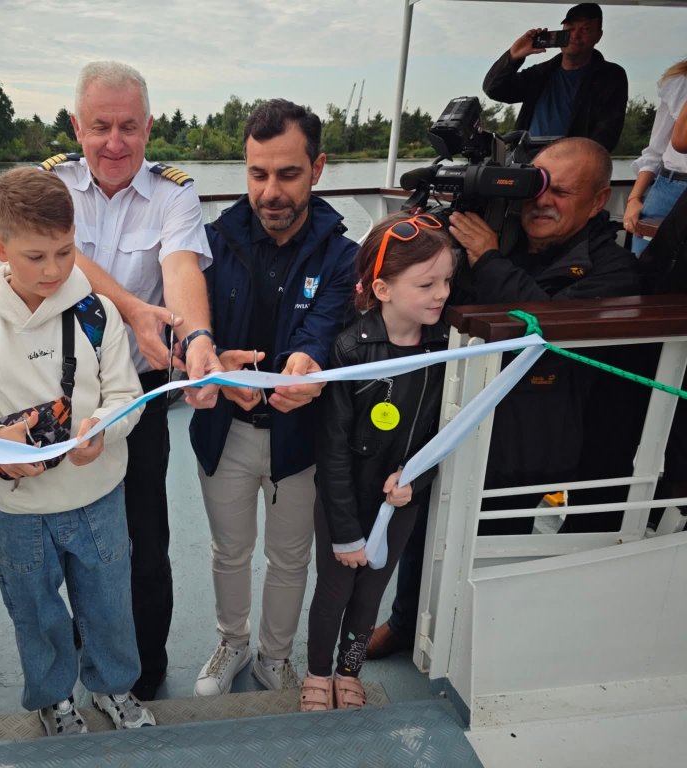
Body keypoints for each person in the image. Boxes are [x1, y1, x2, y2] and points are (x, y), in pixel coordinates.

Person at [367, 136, 641, 658]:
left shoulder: (612, 269)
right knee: (420, 506)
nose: (541, 200)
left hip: (544, 438)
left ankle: (490, 639)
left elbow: (554, 337)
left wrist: (488, 257)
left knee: (498, 536)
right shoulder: (504, 232)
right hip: (469, 410)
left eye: (560, 191)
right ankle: (407, 622)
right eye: (535, 184)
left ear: (599, 198)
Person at [0, 168, 152, 735]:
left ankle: (114, 688)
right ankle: (54, 699)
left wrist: (103, 426)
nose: (52, 270)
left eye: (64, 252)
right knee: (35, 613)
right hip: (18, 512)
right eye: (35, 257)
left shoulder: (99, 313)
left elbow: (129, 394)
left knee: (110, 606)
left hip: (97, 496)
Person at [46, 61, 221, 700]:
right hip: (63, 396)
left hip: (143, 392)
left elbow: (180, 269)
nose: (114, 143)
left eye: (128, 127)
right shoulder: (51, 187)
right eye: (99, 127)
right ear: (76, 126)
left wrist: (196, 337)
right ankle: (89, 661)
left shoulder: (174, 194)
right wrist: (132, 307)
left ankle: (145, 673)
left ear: (149, 128)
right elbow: (59, 258)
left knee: (146, 540)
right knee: (70, 538)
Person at [189, 99, 358, 696]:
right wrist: (211, 362)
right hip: (225, 434)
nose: (270, 191)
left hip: (300, 438)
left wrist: (307, 363)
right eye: (258, 173)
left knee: (291, 558)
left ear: (318, 168)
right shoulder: (209, 243)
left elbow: (327, 329)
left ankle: (275, 656)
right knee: (228, 549)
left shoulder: (344, 256)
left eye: (288, 173)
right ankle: (231, 643)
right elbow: (190, 325)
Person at [300, 214, 453, 711]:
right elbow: (333, 448)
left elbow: (442, 433)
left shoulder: (443, 346)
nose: (441, 293)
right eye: (427, 283)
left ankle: (350, 670)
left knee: (371, 596)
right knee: (336, 590)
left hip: (400, 501)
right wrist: (345, 531)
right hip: (347, 500)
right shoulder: (351, 350)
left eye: (447, 280)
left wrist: (417, 479)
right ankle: (318, 673)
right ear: (383, 288)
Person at [483, 3, 628, 152]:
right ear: (562, 31)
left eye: (585, 29)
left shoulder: (610, 77)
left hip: (572, 169)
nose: (575, 35)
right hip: (527, 164)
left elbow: (606, 135)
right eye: (570, 28)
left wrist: (577, 164)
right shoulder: (541, 74)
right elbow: (494, 89)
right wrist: (513, 56)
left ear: (598, 35)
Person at [623, 59, 687, 255]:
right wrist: (634, 198)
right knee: (643, 271)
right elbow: (655, 151)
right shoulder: (678, 82)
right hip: (668, 189)